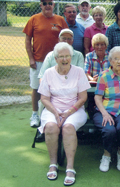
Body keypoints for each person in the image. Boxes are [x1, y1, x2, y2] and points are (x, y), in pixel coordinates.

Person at [38, 42, 90, 186]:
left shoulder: (79, 72)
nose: (64, 59)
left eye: (67, 56)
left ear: (71, 57)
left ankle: (70, 167)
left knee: (68, 128)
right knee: (50, 127)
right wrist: (56, 113)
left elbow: (83, 98)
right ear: (56, 59)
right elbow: (44, 99)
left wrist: (68, 112)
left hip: (74, 110)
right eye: (61, 56)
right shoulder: (48, 73)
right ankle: (53, 164)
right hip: (52, 109)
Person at [23, 0, 68, 127]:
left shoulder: (60, 20)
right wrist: (31, 58)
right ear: (40, 5)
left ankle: (52, 113)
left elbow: (67, 38)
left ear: (53, 5)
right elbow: (27, 40)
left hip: (56, 62)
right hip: (38, 61)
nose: (47, 5)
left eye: (50, 3)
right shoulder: (34, 19)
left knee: (55, 89)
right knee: (36, 89)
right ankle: (35, 115)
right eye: (45, 3)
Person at [93, 46, 120, 172]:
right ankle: (107, 155)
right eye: (116, 59)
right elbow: (97, 97)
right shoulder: (104, 76)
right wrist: (104, 114)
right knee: (109, 130)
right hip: (105, 110)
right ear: (110, 61)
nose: (119, 61)